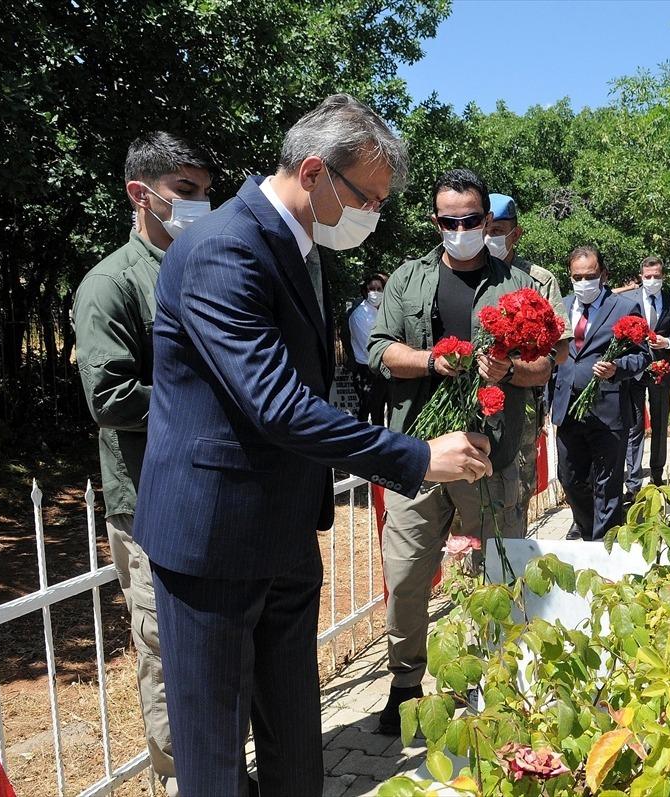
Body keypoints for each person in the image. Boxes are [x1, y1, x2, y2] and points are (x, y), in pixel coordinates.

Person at [133, 95, 493, 796]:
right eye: (369, 197)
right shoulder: (223, 247)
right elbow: (276, 404)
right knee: (213, 751)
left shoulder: (300, 246)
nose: (374, 216)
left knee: (295, 738)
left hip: (285, 531)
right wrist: (414, 456)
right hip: (212, 538)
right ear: (313, 171)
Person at [368, 170, 555, 735]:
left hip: (489, 455)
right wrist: (432, 362)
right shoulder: (406, 280)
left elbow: (545, 364)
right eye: (448, 222)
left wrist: (507, 369)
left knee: (496, 570)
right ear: (436, 222)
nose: (460, 230)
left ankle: (490, 678)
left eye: (470, 221)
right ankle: (406, 683)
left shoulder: (519, 285)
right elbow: (379, 351)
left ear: (487, 221)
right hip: (418, 454)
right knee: (404, 574)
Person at [72, 131, 213, 796]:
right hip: (150, 498)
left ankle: (214, 770)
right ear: (141, 193)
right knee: (166, 654)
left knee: (212, 650)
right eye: (186, 192)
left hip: (214, 489)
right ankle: (180, 779)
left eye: (205, 192)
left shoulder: (206, 265)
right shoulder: (111, 284)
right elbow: (109, 396)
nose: (200, 204)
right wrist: (209, 399)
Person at [551, 244, 651, 541]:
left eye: (590, 275)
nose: (583, 282)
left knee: (607, 484)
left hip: (607, 411)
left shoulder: (624, 308)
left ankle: (602, 546)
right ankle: (588, 529)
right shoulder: (562, 305)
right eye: (577, 277)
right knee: (570, 479)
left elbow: (643, 355)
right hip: (567, 407)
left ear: (604, 274)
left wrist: (617, 368)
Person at [485, 193, 570, 520]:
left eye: (499, 229)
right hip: (474, 403)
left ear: (516, 233)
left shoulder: (538, 279)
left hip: (521, 402)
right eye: (486, 228)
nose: (490, 237)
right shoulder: (468, 274)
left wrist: (521, 357)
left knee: (514, 496)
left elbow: (560, 350)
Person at [624, 256, 670, 497]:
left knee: (660, 424)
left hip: (661, 369)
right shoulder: (628, 299)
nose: (652, 280)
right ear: (641, 277)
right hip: (635, 371)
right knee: (635, 425)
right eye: (648, 276)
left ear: (663, 277)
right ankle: (633, 482)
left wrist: (668, 342)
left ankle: (658, 475)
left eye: (657, 277)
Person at [346, 271, 389, 424]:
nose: (376, 292)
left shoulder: (384, 311)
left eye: (379, 289)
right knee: (369, 411)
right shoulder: (359, 315)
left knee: (382, 411)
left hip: (383, 369)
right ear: (365, 291)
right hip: (367, 370)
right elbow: (369, 346)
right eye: (372, 289)